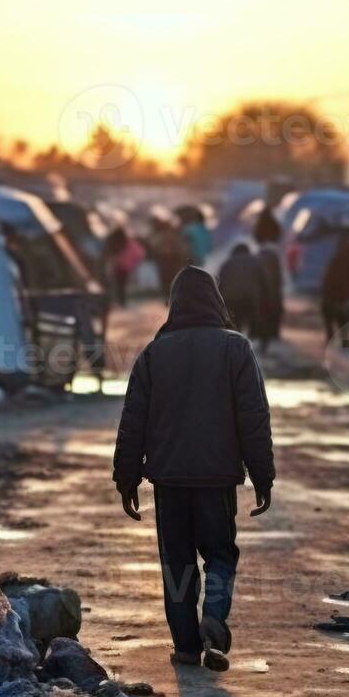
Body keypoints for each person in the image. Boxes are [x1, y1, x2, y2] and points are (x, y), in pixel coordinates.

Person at [112, 267, 275, 672]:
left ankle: (186, 646)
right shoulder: (235, 349)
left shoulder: (154, 353)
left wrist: (126, 477)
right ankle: (215, 620)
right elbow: (253, 417)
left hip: (168, 479)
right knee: (219, 553)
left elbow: (133, 421)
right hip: (217, 478)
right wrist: (262, 474)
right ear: (216, 301)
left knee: (177, 562)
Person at [217, 243, 271, 340]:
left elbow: (219, 284)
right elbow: (264, 282)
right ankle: (253, 340)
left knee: (235, 323)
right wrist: (266, 297)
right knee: (253, 320)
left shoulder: (227, 263)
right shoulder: (256, 262)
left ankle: (236, 342)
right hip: (250, 298)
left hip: (231, 299)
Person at [251, 209, 284, 345]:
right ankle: (273, 332)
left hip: (262, 252)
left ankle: (259, 332)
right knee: (274, 301)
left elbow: (256, 236)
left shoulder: (259, 226)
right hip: (271, 252)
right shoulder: (274, 224)